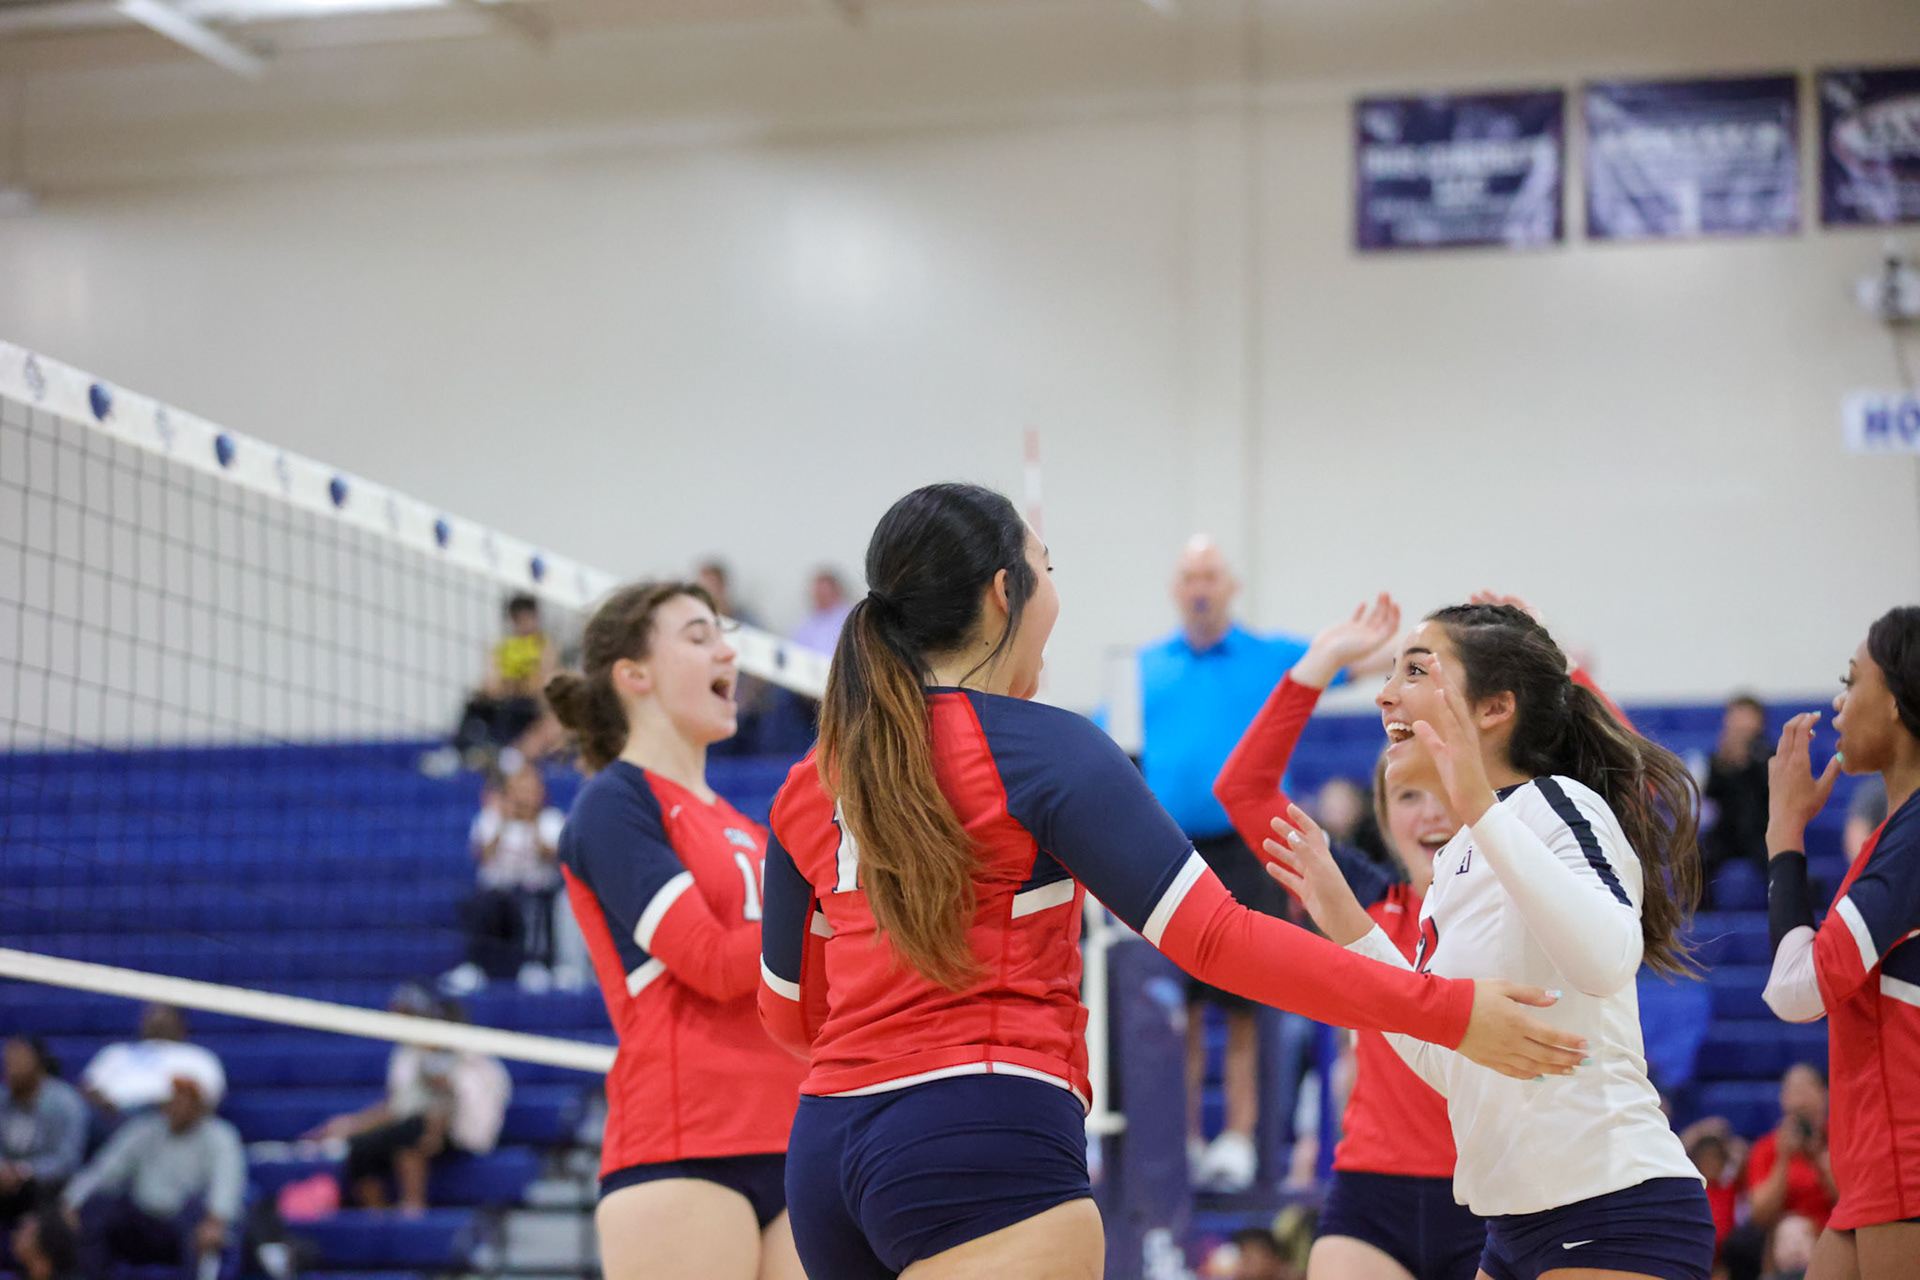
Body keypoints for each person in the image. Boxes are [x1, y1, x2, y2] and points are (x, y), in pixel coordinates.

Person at [757, 484, 1585, 1280]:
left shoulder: (813, 775)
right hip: (981, 1136)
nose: (1056, 591)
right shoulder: (1046, 748)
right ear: (1005, 593)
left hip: (827, 1150)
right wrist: (1447, 1012)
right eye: (1050, 568)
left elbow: (792, 1016)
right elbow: (1219, 941)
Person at [1269, 601, 1714, 1280]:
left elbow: (1607, 958)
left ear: (1493, 708)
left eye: (1415, 670)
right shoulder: (1452, 863)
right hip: (1511, 1229)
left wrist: (1478, 803)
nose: (1385, 693)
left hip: (1613, 1211)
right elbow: (1446, 1057)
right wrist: (1350, 927)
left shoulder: (1559, 804)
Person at [1214, 594, 1485, 1280]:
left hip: (1495, 1192)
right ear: (1384, 812)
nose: (1429, 816)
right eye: (1406, 796)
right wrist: (1319, 666)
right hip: (1371, 1195)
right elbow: (1244, 791)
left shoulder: (1515, 896)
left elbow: (1637, 809)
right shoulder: (1362, 898)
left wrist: (1558, 672)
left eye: (1441, 790)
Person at [544, 581, 809, 1280]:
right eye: (698, 637)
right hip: (682, 1146)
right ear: (633, 676)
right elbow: (714, 963)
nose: (728, 650)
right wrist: (833, 921)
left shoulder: (750, 828)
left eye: (723, 633)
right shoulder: (614, 804)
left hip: (796, 1137)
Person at [1141, 536, 1393, 1192]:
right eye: (1189, 575)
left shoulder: (1266, 657)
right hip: (1169, 850)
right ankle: (1188, 1139)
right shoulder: (1145, 668)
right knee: (1180, 1010)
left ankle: (1240, 1140)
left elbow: (1357, 664)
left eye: (1210, 576)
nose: (1199, 586)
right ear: (1175, 588)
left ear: (1231, 587)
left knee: (1248, 1002)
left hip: (1244, 848)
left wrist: (1423, 647)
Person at [1760, 605, 1920, 1280]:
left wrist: (1785, 834)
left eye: (1851, 680)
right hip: (1872, 1170)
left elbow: (1798, 992)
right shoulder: (1896, 836)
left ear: (1899, 701)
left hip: (1905, 1161)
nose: (1838, 700)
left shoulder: (1912, 842)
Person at [308, 986, 510, 1212]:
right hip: (422, 1123)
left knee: (411, 1135)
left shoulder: (475, 1060)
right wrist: (350, 1126)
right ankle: (378, 1217)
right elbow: (398, 1106)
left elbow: (454, 1099)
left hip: (459, 1132)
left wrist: (435, 1129)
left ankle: (413, 1209)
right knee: (361, 1150)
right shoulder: (409, 1055)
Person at [53, 1064, 244, 1280]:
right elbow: (105, 1169)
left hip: (185, 1222)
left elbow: (226, 1182)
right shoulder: (145, 1129)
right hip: (144, 1220)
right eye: (174, 1097)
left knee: (207, 1225)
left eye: (186, 1098)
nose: (178, 1104)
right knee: (96, 1210)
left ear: (199, 1104)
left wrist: (216, 1220)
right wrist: (71, 1201)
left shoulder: (219, 1135)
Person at [445, 763, 568, 995]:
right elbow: (483, 855)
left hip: (535, 891)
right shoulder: (490, 818)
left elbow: (554, 857)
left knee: (536, 905)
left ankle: (536, 963)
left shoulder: (550, 819)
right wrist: (504, 819)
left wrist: (531, 821)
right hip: (496, 892)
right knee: (480, 904)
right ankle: (475, 966)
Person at [428, 594, 563, 774]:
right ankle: (456, 753)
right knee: (474, 704)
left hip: (529, 705)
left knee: (517, 708)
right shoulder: (502, 645)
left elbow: (540, 684)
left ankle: (503, 755)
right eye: (518, 619)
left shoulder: (545, 645)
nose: (523, 623)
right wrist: (508, 686)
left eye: (527, 618)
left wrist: (513, 685)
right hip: (504, 700)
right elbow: (492, 682)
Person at [79, 1005, 226, 1128]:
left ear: (180, 1023)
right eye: (153, 1014)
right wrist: (106, 1106)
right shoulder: (116, 1052)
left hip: (164, 1120)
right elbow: (88, 1088)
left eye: (164, 1014)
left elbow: (208, 1098)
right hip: (112, 1119)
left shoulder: (197, 1056)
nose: (158, 1019)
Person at [1, 1038, 86, 1234]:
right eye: (8, 1062)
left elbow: (67, 1160)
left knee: (49, 1193)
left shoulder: (65, 1103)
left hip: (46, 1185)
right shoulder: (3, 1099)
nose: (11, 1069)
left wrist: (23, 1172)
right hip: (6, 1183)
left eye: (18, 1061)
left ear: (38, 1064)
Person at [1743, 1065, 1836, 1238]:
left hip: (1834, 1230)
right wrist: (1783, 1159)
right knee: (1792, 1233)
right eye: (1794, 1092)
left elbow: (1850, 1202)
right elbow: (1759, 1214)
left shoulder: (1840, 1140)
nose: (1801, 1100)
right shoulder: (1767, 1147)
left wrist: (1817, 1157)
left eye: (1807, 1091)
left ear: (1824, 1095)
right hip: (1785, 1235)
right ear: (1783, 1101)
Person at [1703, 695, 1773, 900]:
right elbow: (1711, 797)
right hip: (1726, 832)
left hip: (1762, 832)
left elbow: (1768, 792)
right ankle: (1701, 915)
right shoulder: (1717, 759)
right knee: (1698, 859)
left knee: (1781, 862)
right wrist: (1725, 766)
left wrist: (1746, 763)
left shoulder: (1769, 755)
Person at [788, 568, 852, 656]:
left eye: (824, 593)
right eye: (818, 593)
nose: (820, 597)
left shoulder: (849, 618)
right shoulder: (809, 621)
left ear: (835, 592)